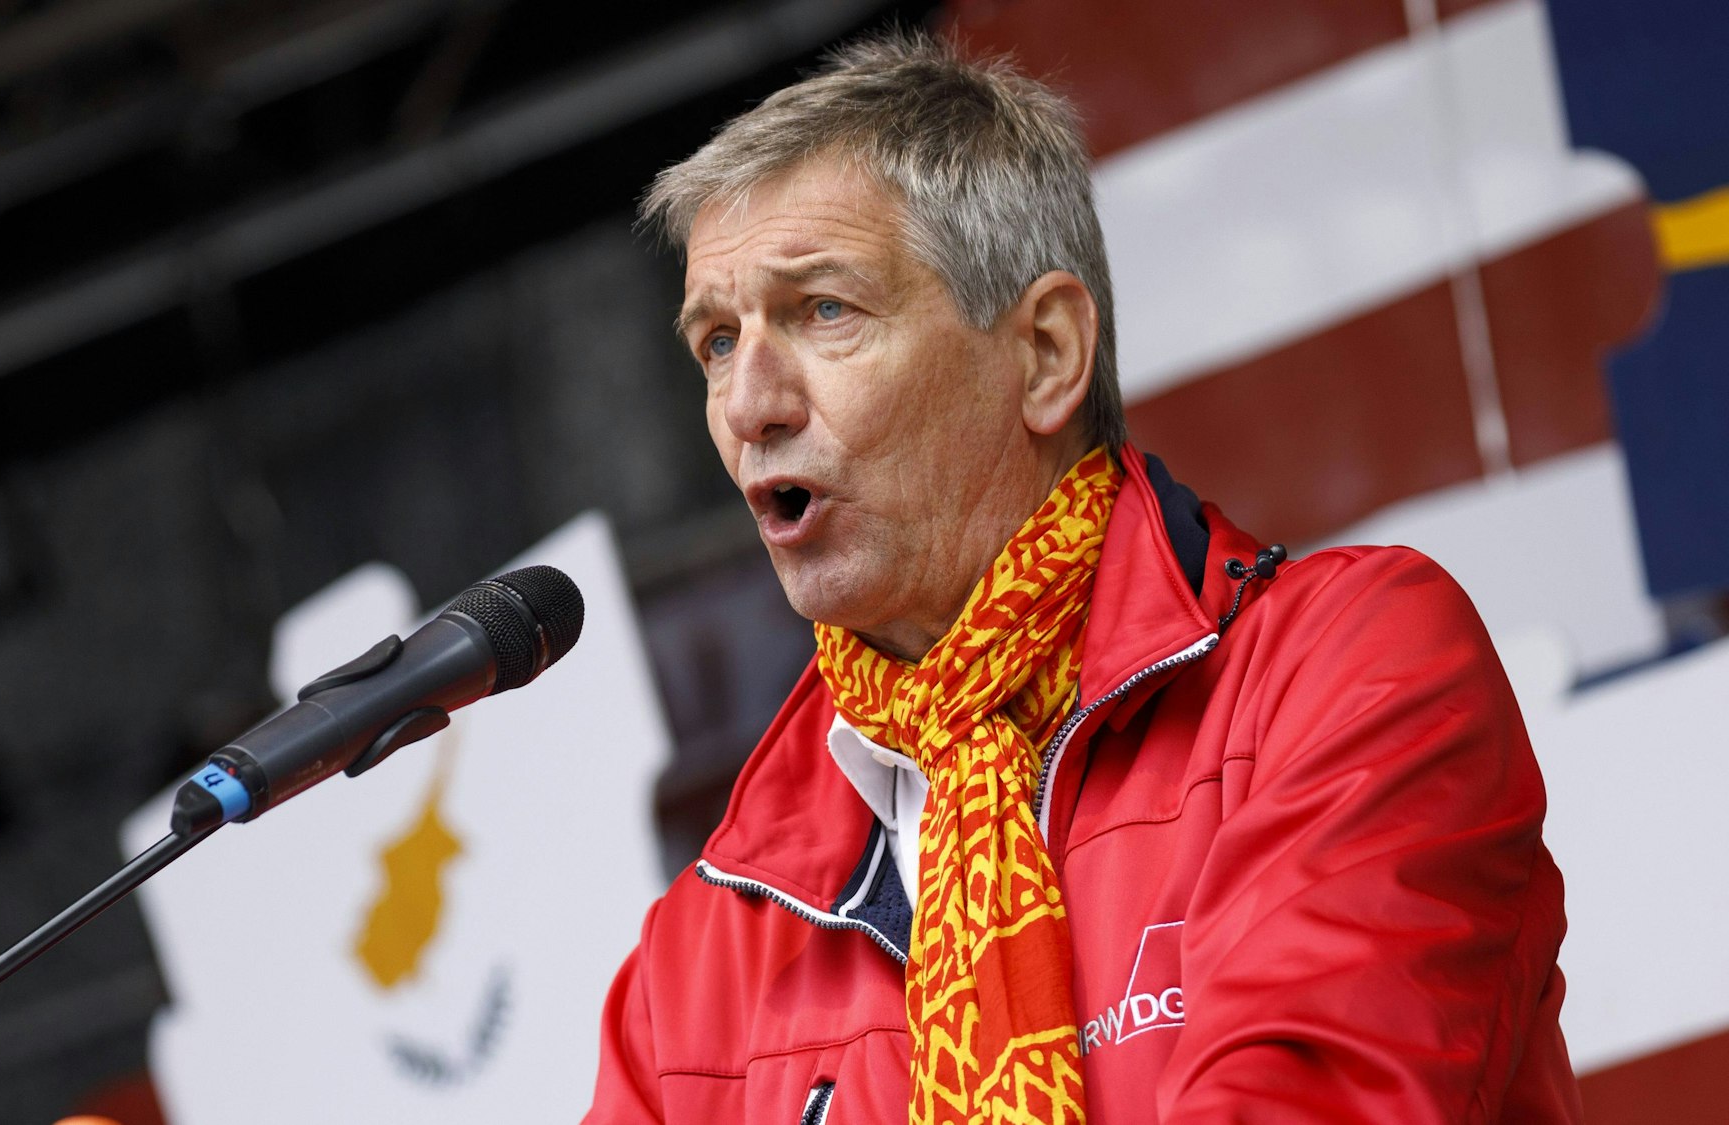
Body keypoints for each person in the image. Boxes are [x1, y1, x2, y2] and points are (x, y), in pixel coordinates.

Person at [585, 31, 1579, 1125]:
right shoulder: (694, 964)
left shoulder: (1352, 669)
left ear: (1047, 353)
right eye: (717, 341)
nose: (747, 404)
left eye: (823, 310)